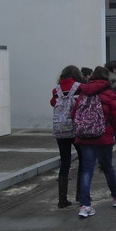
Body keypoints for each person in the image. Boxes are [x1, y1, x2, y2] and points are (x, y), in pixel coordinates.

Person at [72, 65, 116, 218]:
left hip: (84, 137)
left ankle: (85, 205)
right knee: (107, 167)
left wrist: (83, 127)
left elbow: (74, 113)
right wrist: (110, 130)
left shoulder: (83, 92)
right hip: (103, 136)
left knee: (87, 170)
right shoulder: (110, 93)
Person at [50, 65, 84, 208]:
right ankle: (80, 194)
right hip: (75, 128)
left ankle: (62, 199)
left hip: (60, 129)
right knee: (83, 160)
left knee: (65, 162)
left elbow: (53, 103)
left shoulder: (56, 90)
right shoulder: (79, 87)